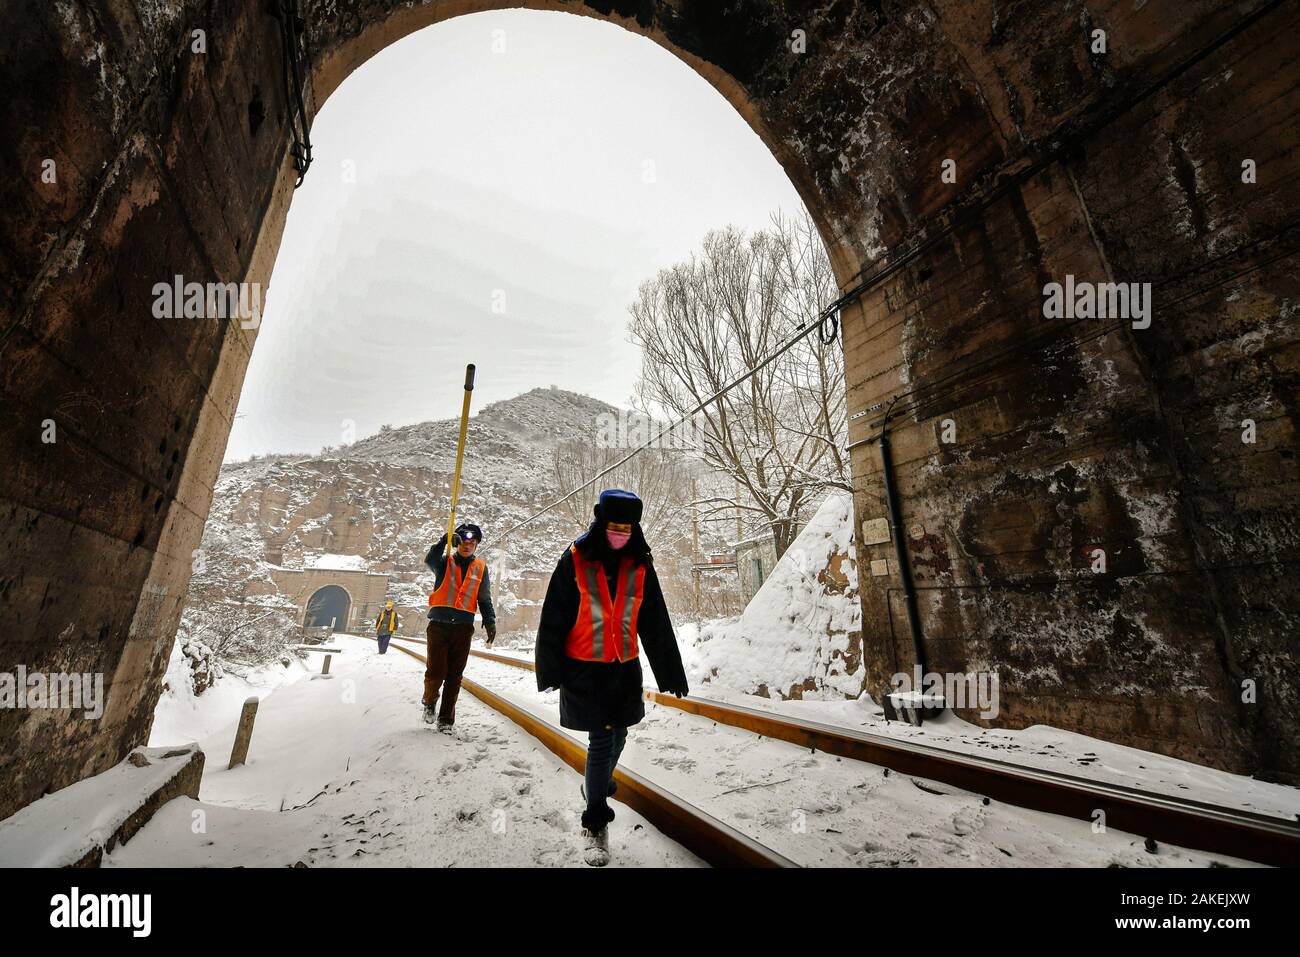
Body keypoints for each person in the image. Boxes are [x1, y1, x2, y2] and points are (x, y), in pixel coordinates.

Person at [535, 488, 688, 866]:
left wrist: (671, 672)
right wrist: (550, 669)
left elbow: (655, 623)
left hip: (624, 669)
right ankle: (595, 823)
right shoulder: (575, 559)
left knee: (618, 735)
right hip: (585, 669)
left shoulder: (639, 564)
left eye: (627, 527)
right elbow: (553, 615)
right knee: (602, 739)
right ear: (601, 524)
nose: (621, 533)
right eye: (614, 526)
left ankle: (595, 786)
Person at [423, 522, 496, 732]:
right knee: (436, 672)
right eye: (463, 541)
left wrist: (489, 620)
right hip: (438, 625)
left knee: (454, 676)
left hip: (463, 628)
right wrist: (444, 540)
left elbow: (484, 598)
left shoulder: (481, 568)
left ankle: (446, 720)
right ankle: (429, 701)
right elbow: (430, 559)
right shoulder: (444, 562)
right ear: (457, 544)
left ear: (476, 545)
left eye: (472, 542)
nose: (467, 545)